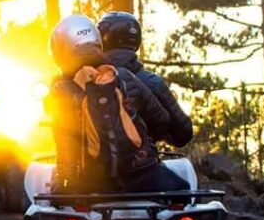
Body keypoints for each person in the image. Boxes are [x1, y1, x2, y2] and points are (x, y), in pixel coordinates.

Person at [45, 15, 188, 194]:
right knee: (184, 190)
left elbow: (65, 144)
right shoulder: (124, 75)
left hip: (92, 183)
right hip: (143, 175)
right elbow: (162, 120)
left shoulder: (61, 91)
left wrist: (65, 184)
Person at [97, 11, 194, 148]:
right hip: (144, 165)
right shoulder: (153, 82)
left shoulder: (84, 79)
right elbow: (183, 134)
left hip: (94, 167)